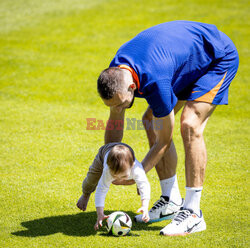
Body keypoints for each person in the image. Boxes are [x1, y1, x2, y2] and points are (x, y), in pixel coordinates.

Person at [96, 21, 239, 236]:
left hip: (217, 57)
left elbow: (164, 141)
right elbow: (116, 118)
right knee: (150, 119)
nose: (117, 109)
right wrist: (109, 161)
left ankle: (193, 213)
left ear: (133, 87)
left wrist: (138, 173)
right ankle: (170, 200)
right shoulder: (116, 74)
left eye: (120, 103)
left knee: (190, 125)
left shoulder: (155, 81)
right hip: (186, 60)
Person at [77, 142, 151, 230]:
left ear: (132, 166)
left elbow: (145, 185)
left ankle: (136, 185)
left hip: (125, 154)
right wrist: (100, 214)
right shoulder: (107, 170)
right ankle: (86, 194)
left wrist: (145, 206)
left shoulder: (137, 169)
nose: (119, 180)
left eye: (123, 176)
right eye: (115, 176)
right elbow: (101, 191)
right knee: (91, 179)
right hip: (103, 153)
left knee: (141, 181)